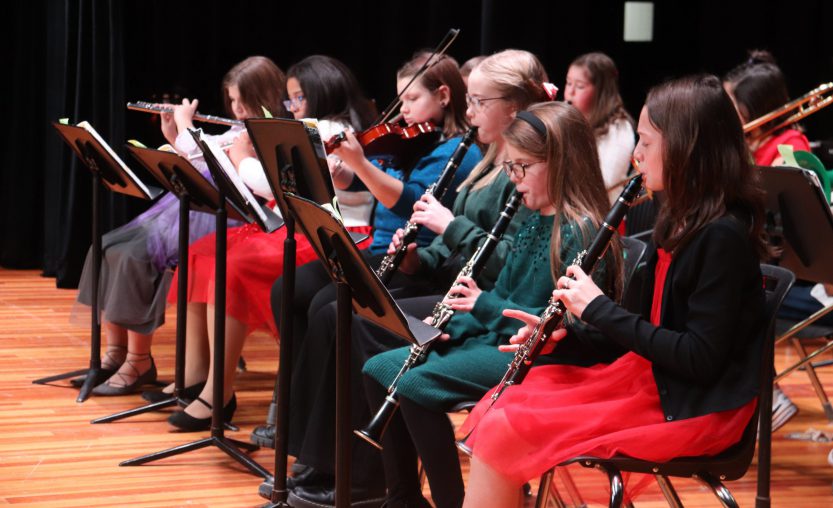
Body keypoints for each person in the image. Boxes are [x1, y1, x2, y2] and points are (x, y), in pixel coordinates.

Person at [461, 74, 767, 508]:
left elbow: (699, 359)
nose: (636, 154)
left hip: (695, 405)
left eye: (646, 142)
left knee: (508, 426)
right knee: (504, 403)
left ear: (687, 148)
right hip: (655, 379)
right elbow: (637, 332)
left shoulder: (722, 238)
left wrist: (598, 308)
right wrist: (563, 338)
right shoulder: (675, 219)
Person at [265, 49, 549, 506]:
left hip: (486, 304)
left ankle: (361, 475)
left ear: (513, 109)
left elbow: (511, 261)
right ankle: (333, 462)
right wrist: (418, 258)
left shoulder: (523, 172)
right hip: (456, 286)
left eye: (479, 103)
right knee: (338, 309)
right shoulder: (488, 159)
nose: (470, 113)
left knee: (357, 321)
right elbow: (454, 249)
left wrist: (448, 227)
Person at [363, 100, 623, 508]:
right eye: (510, 167)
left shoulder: (583, 231)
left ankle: (452, 501)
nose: (513, 178)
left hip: (546, 359)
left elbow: (566, 326)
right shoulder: (534, 219)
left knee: (414, 384)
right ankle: (403, 498)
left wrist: (481, 306)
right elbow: (503, 293)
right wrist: (449, 327)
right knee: (377, 368)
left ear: (560, 163)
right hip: (500, 340)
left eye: (522, 167)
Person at [155, 55, 377, 431]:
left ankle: (219, 392)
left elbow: (279, 184)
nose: (292, 106)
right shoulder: (304, 126)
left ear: (322, 92)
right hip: (295, 226)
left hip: (333, 235)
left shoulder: (332, 131)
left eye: (299, 98)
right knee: (199, 254)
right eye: (291, 99)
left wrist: (242, 158)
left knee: (233, 266)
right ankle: (195, 375)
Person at [72, 56, 287, 396]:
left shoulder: (271, 134)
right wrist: (174, 137)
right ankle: (115, 353)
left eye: (243, 100)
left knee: (135, 258)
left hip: (230, 221)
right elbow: (201, 161)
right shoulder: (238, 131)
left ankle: (139, 361)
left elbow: (223, 165)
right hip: (194, 210)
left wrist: (186, 125)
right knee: (109, 247)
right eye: (232, 100)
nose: (236, 108)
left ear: (265, 96)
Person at [724, 50, 813, 429]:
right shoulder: (751, 145)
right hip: (760, 260)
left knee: (732, 295)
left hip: (798, 273)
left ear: (756, 110)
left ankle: (766, 395)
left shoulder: (791, 148)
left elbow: (792, 232)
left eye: (734, 109)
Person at [564, 52, 635, 204]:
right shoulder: (568, 121)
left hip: (602, 211)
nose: (571, 92)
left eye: (580, 86)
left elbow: (606, 181)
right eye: (568, 83)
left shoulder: (619, 127)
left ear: (601, 91)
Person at [723, 50, 810, 166]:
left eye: (732, 106)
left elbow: (784, 177)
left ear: (756, 109)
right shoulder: (738, 142)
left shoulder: (791, 143)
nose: (724, 112)